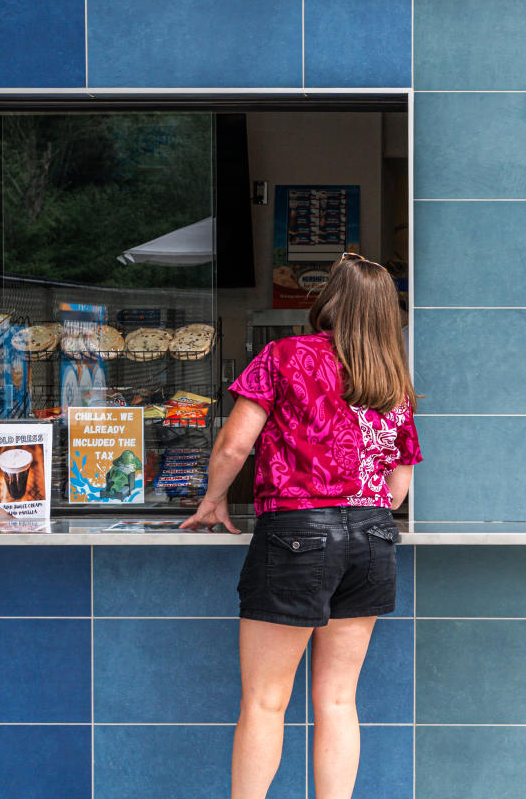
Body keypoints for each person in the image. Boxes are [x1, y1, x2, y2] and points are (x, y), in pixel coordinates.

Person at [180, 252, 422, 799]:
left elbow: (234, 444)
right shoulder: (392, 378)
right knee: (338, 701)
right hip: (373, 534)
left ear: (330, 300)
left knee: (266, 701)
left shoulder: (285, 355)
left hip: (296, 532)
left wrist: (214, 500)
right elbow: (398, 486)